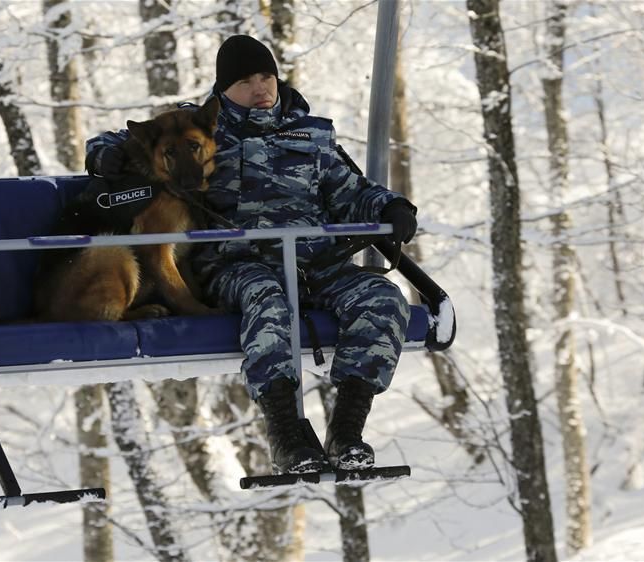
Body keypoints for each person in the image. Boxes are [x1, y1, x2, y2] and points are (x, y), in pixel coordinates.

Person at [85, 35, 418, 475]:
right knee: (267, 300)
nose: (261, 88)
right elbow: (112, 141)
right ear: (224, 89)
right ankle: (285, 432)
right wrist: (108, 155)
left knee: (383, 297)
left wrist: (389, 207)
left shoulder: (312, 134)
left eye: (266, 77)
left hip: (315, 262)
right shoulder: (199, 127)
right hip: (238, 264)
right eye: (245, 81)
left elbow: (350, 190)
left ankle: (347, 428)